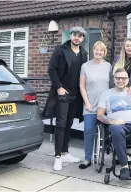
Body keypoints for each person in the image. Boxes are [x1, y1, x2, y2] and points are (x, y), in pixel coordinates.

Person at [42, 26, 88, 171]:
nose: (76, 38)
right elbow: (51, 69)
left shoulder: (84, 53)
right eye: (75, 34)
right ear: (71, 35)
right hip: (63, 92)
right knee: (61, 124)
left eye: (80, 36)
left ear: (83, 38)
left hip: (76, 94)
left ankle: (65, 152)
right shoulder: (60, 50)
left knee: (69, 123)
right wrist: (59, 87)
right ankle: (57, 157)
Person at [78, 41, 111, 169]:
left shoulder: (108, 66)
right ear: (93, 50)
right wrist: (87, 103)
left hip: (105, 105)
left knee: (111, 130)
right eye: (96, 50)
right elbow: (81, 85)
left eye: (101, 50)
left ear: (104, 52)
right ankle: (87, 158)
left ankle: (106, 150)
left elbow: (112, 85)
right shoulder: (85, 66)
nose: (98, 52)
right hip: (90, 104)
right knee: (88, 130)